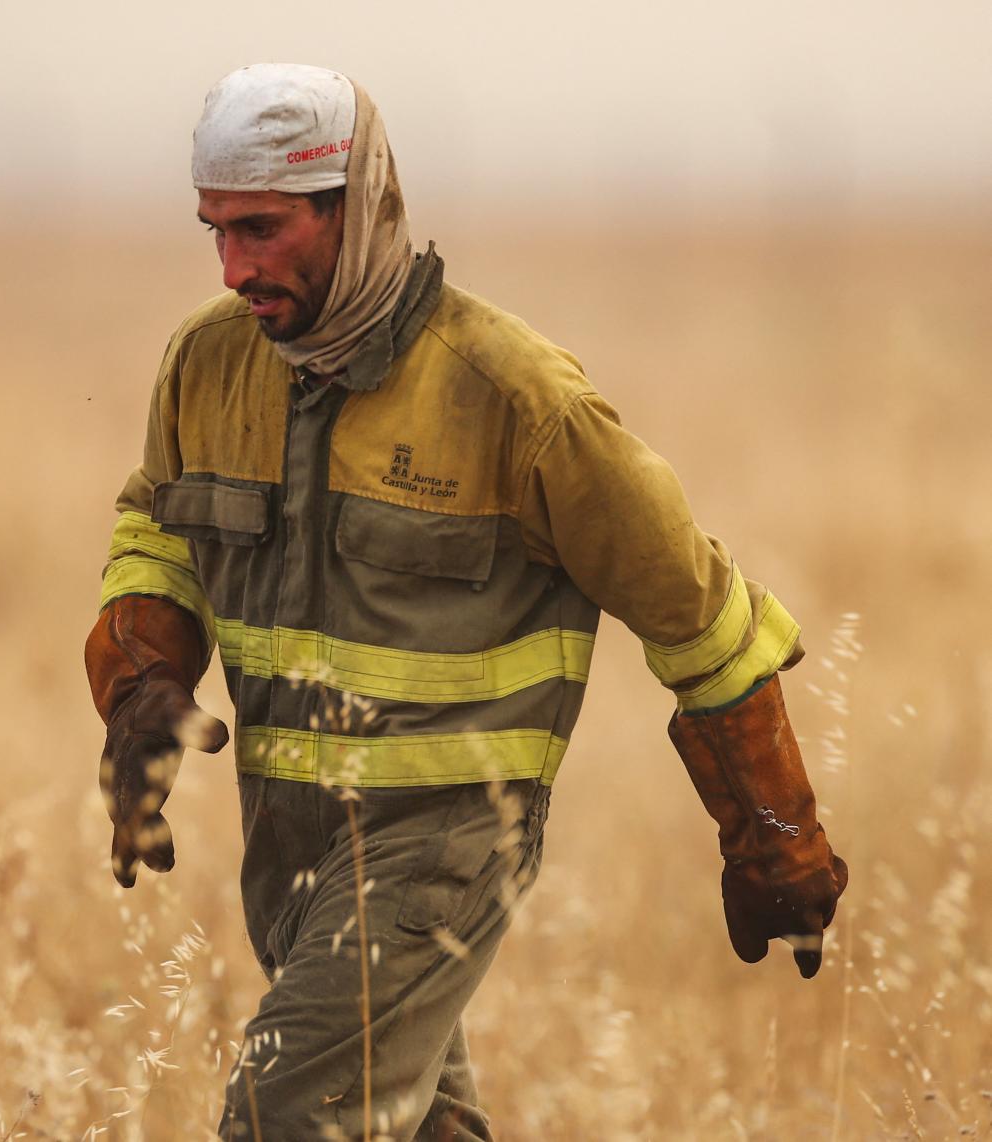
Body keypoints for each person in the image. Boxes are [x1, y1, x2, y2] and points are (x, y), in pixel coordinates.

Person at [83, 63, 849, 1140]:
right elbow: (154, 532)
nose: (231, 265)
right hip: (287, 846)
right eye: (212, 229)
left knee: (283, 1117)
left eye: (260, 229)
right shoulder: (206, 364)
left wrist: (776, 835)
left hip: (443, 848)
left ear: (353, 209)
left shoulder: (515, 396)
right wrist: (138, 680)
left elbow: (696, 610)